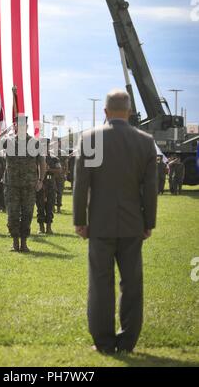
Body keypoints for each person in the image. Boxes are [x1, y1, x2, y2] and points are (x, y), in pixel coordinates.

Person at [73, 90, 158, 354]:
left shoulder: (90, 139)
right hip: (133, 224)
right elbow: (150, 188)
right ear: (130, 112)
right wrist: (149, 222)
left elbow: (81, 185)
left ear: (105, 112)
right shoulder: (145, 141)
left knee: (100, 283)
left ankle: (104, 342)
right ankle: (128, 341)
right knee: (132, 283)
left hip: (99, 224)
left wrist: (80, 220)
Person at [0, 115, 46, 252]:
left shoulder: (35, 143)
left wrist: (41, 180)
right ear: (14, 126)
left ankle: (24, 243)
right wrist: (2, 133)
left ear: (27, 126)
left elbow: (42, 163)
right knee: (12, 214)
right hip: (11, 185)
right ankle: (15, 243)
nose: (20, 127)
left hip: (29, 186)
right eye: (17, 125)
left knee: (27, 214)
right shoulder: (8, 141)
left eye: (22, 125)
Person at [36, 139, 61, 235]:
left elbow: (59, 170)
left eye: (45, 145)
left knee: (50, 206)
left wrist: (49, 169)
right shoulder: (36, 158)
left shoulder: (54, 158)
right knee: (40, 206)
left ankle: (49, 227)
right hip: (40, 184)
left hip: (50, 184)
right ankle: (41, 227)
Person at [55, 139, 68, 213]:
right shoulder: (51, 152)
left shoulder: (63, 153)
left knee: (59, 192)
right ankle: (52, 207)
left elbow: (66, 165)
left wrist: (65, 174)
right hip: (52, 176)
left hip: (60, 176)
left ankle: (58, 208)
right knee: (52, 191)